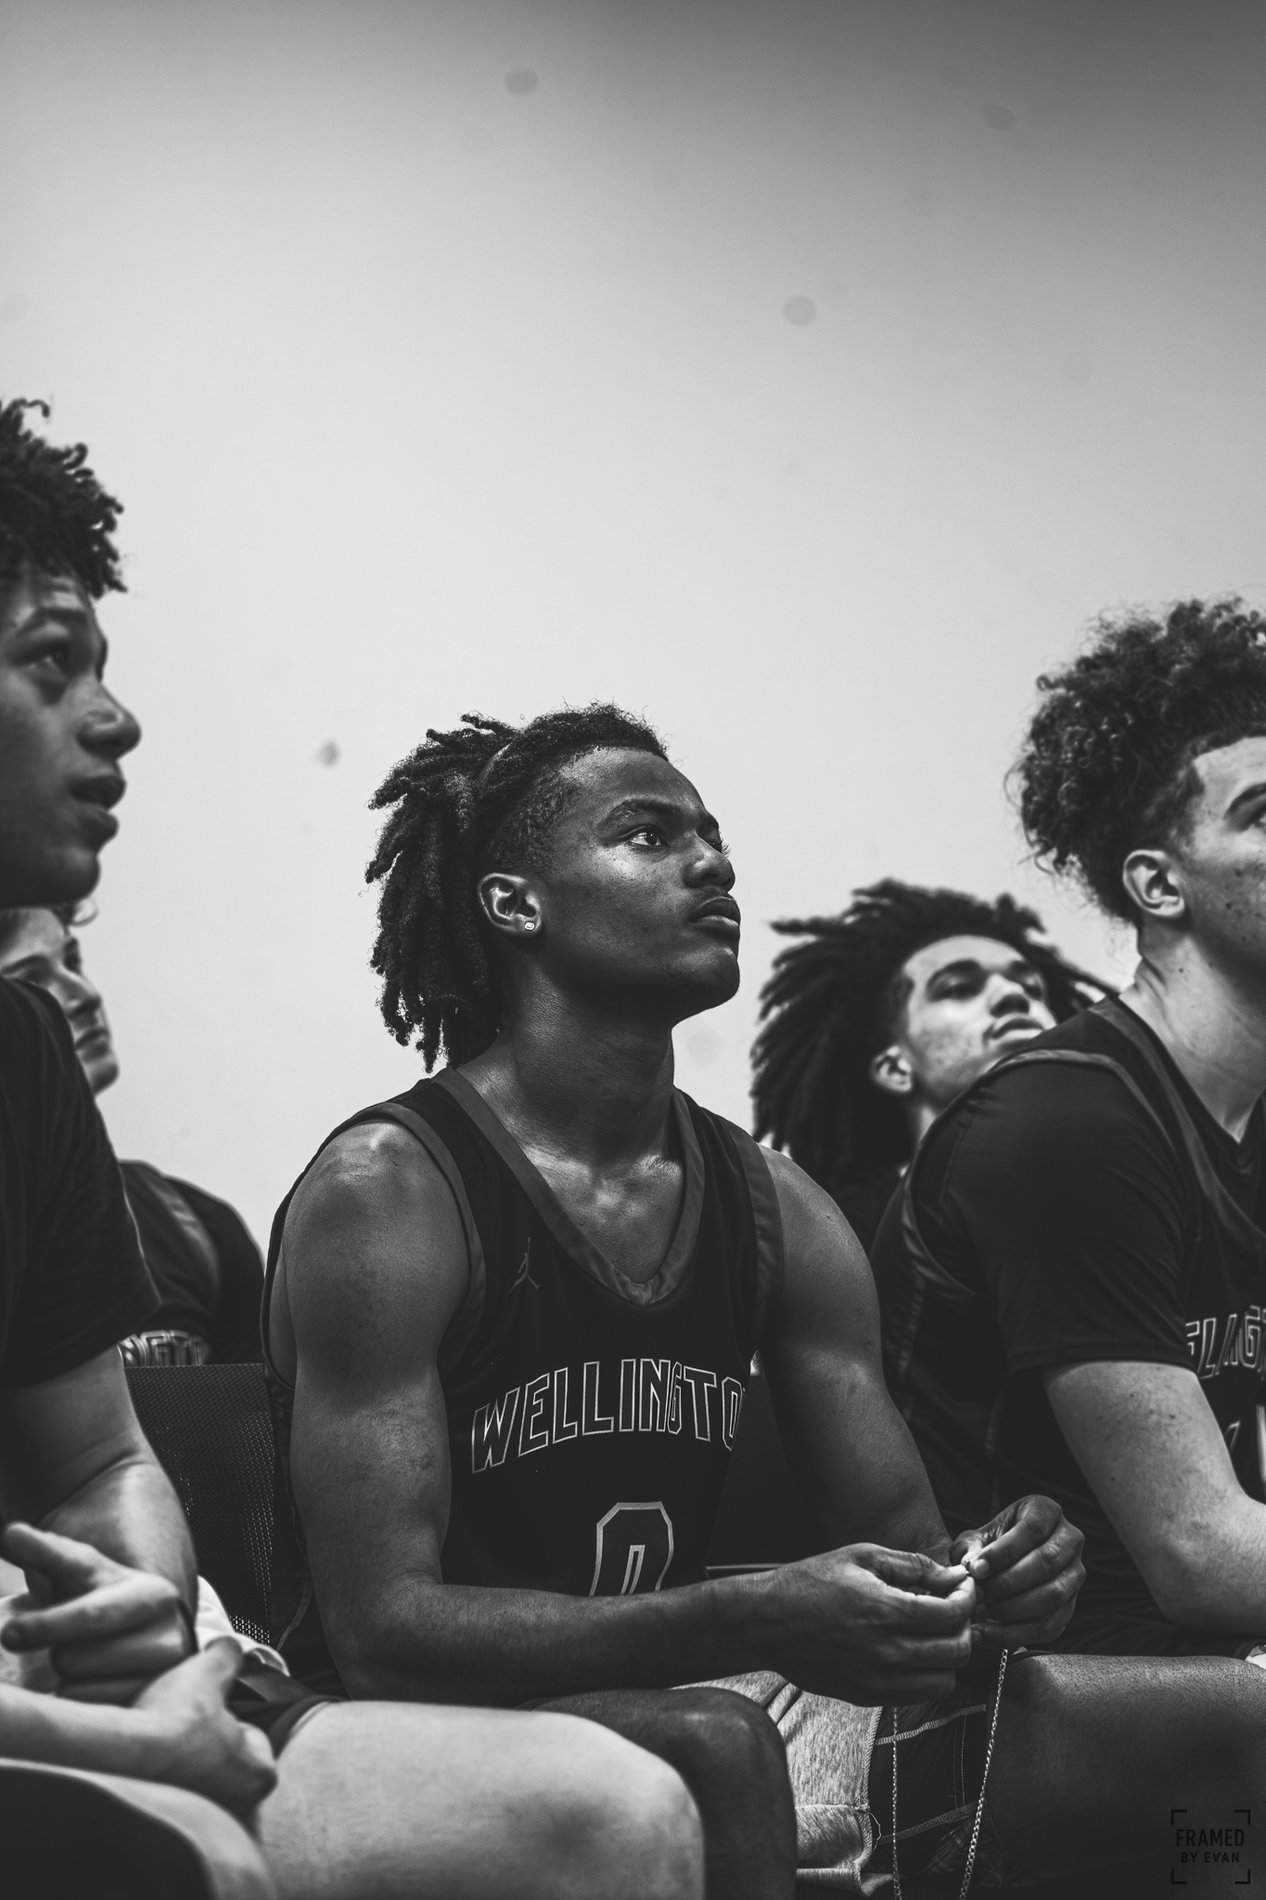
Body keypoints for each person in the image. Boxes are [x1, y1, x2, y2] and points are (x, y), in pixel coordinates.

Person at [265, 703, 1266, 1896]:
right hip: (408, 1725)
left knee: (1224, 1723)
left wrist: (996, 1575)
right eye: (649, 835)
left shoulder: (777, 1206)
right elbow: (383, 1634)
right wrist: (752, 1614)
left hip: (684, 1687)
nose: (712, 863)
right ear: (514, 903)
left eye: (713, 835)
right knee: (715, 1739)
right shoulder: (391, 1192)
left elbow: (914, 1555)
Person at [0, 396, 704, 1900]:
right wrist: (110, 1738)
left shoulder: (19, 1054)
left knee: (617, 1813)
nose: (115, 719)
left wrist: (143, 1617)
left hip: (94, 1685)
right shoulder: (392, 1189)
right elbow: (390, 1620)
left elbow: (97, 1462)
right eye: (51, 664)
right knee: (180, 1852)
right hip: (60, 1729)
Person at [873, 599, 1266, 1667]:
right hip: (1033, 1697)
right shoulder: (1066, 1125)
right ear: (1159, 884)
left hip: (1207, 1675)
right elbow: (1201, 1554)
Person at [751, 881, 1100, 1250]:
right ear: (896, 1069)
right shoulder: (834, 1236)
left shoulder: (1128, 1187)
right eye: (959, 988)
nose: (1013, 995)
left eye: (1032, 988)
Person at [0, 905, 263, 1363]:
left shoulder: (201, 1231)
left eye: (73, 962)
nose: (85, 994)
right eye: (32, 982)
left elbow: (251, 1410)